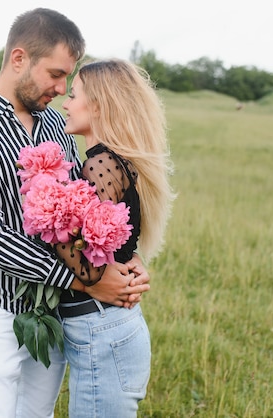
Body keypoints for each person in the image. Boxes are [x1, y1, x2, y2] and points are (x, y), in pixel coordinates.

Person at [0, 8, 150, 418]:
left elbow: (88, 213)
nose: (62, 87)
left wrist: (128, 259)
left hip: (52, 312)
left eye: (68, 77)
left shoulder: (56, 125)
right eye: (55, 74)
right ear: (19, 59)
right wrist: (84, 282)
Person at [55, 59, 175, 417]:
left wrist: (43, 203)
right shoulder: (114, 161)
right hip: (107, 329)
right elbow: (116, 245)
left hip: (102, 331)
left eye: (74, 94)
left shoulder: (101, 166)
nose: (65, 101)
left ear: (99, 105)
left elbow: (87, 267)